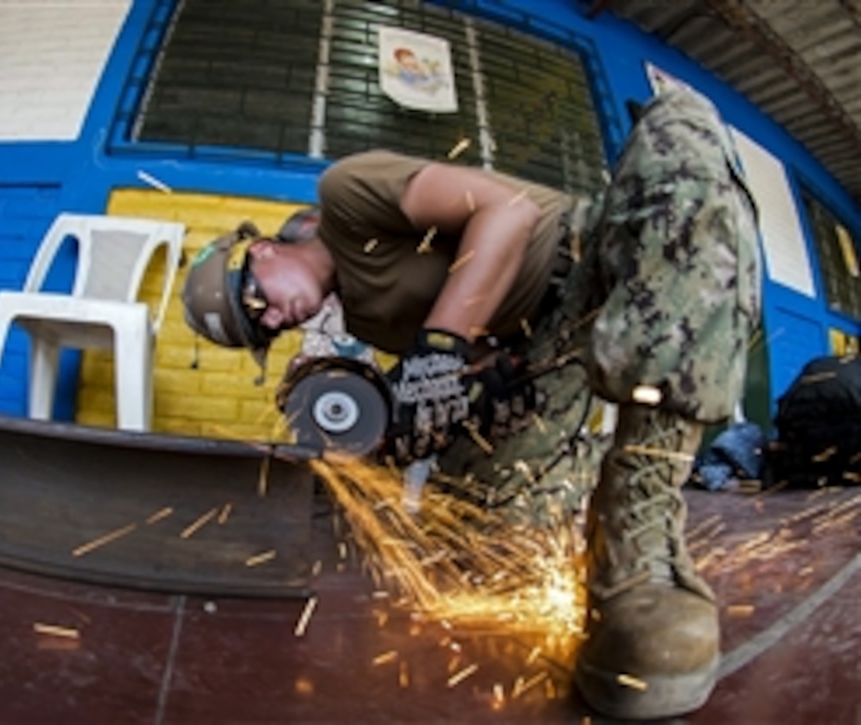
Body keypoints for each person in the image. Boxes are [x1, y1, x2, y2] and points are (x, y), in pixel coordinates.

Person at [182, 85, 760, 720]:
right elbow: (467, 355)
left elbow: (507, 212)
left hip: (588, 252)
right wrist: (466, 389)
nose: (272, 319)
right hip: (545, 344)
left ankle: (640, 533)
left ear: (260, 250)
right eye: (262, 331)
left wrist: (437, 346)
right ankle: (584, 497)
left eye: (255, 300)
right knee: (488, 555)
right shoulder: (367, 323)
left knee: (687, 183)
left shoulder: (345, 195)